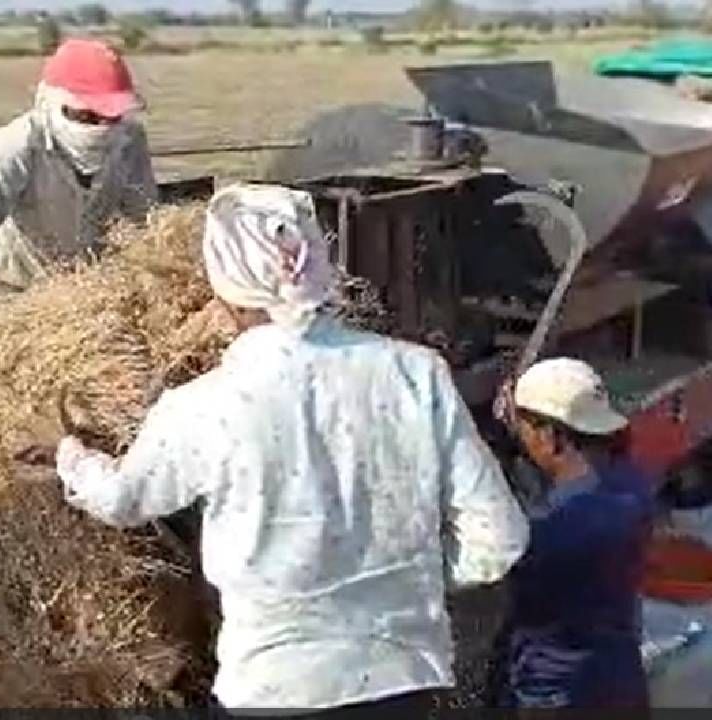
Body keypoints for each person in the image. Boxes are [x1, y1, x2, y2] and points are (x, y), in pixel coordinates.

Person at [50, 184, 530, 714]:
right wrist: (402, 585)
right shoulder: (416, 375)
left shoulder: (201, 407)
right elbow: (499, 540)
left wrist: (68, 455)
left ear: (225, 290)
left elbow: (122, 499)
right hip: (402, 682)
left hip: (273, 688)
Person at [0, 37, 158, 356]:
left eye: (111, 117)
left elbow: (143, 224)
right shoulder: (12, 149)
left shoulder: (129, 142)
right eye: (87, 117)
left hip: (87, 295)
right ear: (50, 103)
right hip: (11, 292)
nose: (101, 127)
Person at [494, 357, 655, 711]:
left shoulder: (549, 533)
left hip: (558, 692)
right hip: (620, 678)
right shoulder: (634, 488)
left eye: (526, 431)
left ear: (551, 437)